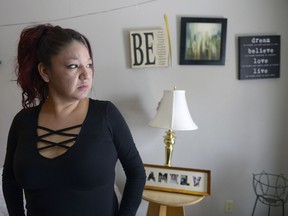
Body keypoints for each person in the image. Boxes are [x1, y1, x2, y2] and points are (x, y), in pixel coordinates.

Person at [2, 23, 146, 216]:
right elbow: (10, 180)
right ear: (45, 72)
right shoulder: (23, 122)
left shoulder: (106, 115)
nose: (86, 75)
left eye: (89, 65)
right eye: (73, 66)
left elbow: (137, 173)